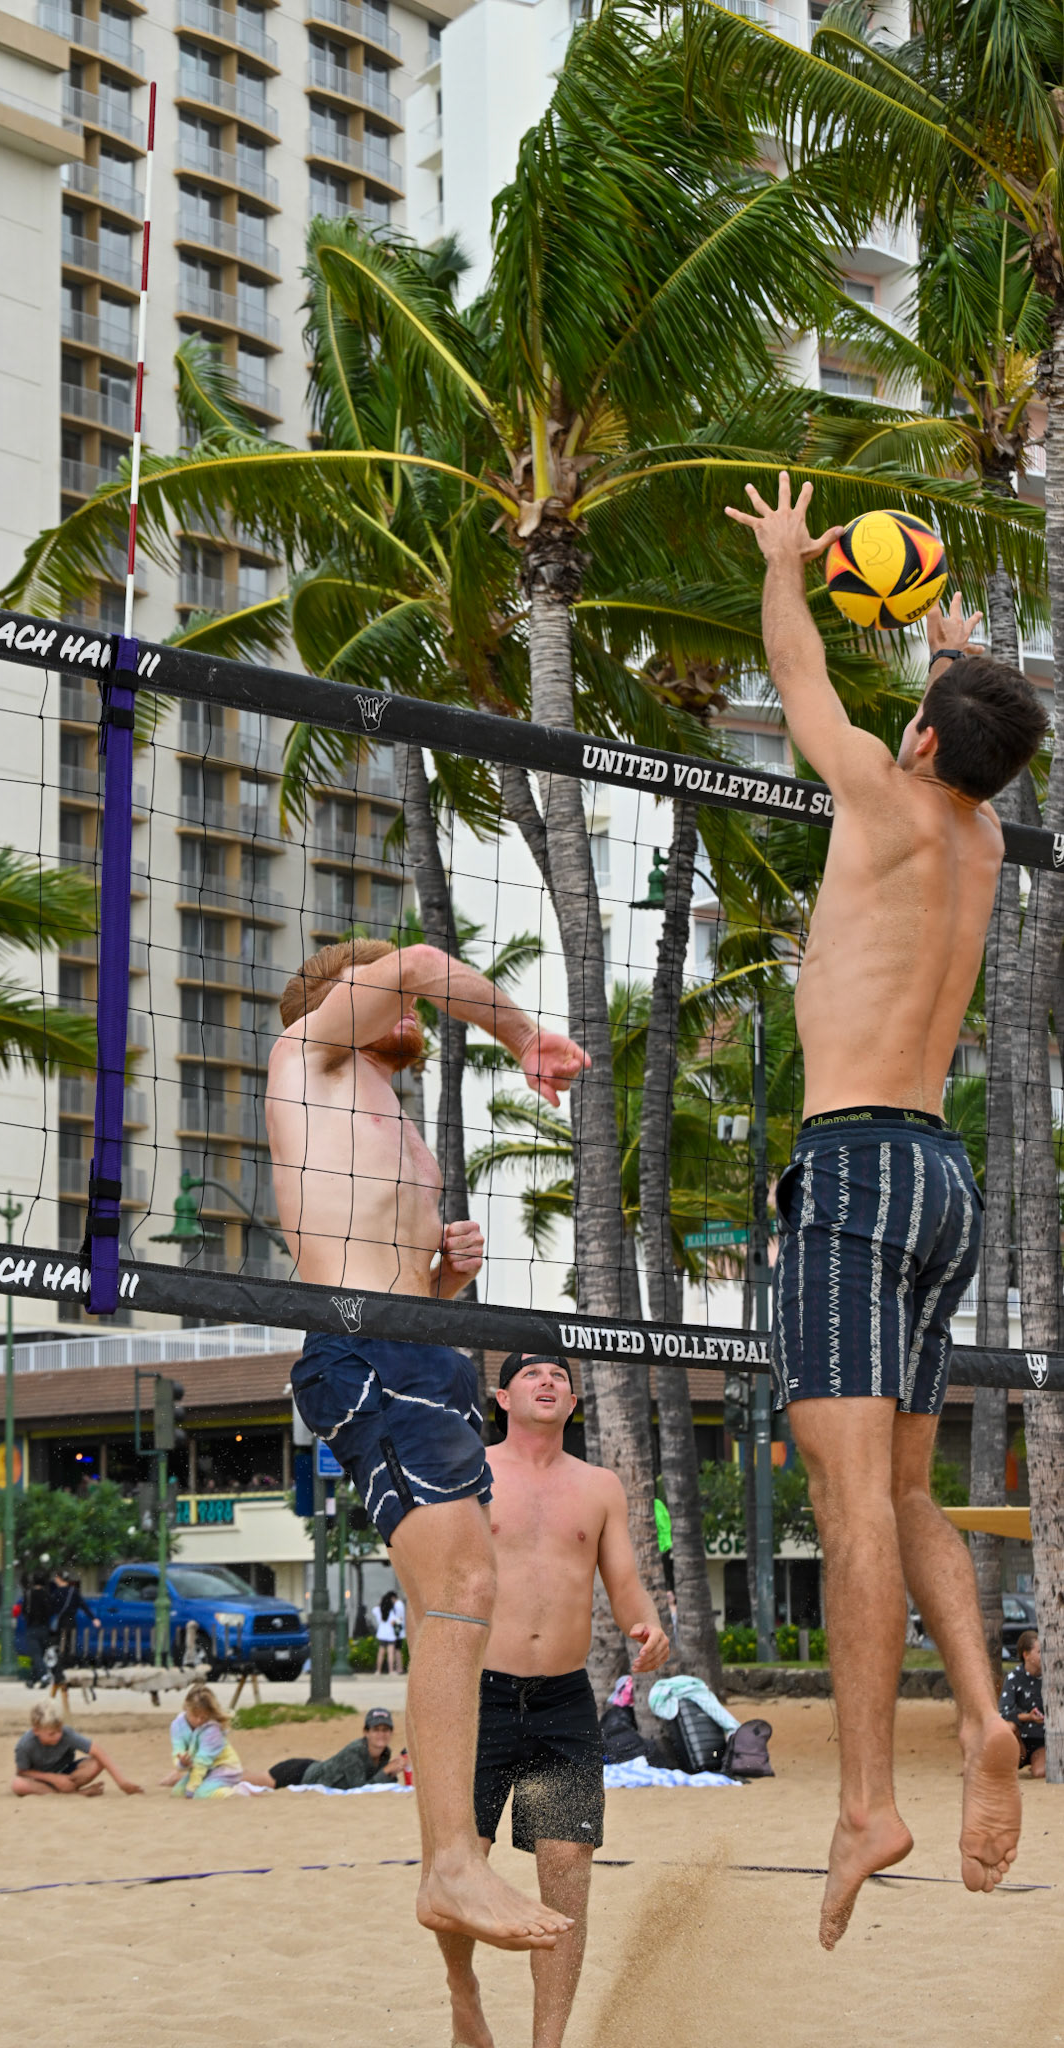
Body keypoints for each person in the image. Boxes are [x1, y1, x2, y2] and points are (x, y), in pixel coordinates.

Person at [727, 475, 1049, 1948]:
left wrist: (790, 562)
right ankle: (986, 1717)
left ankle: (865, 1799)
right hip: (941, 1175)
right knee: (907, 1491)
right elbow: (970, 737)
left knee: (850, 1505)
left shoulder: (873, 788)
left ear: (916, 741)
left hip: (852, 1171)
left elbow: (794, 666)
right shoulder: (979, 841)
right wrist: (951, 659)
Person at [269, 936, 590, 1953]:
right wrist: (524, 1032)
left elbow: (377, 1242)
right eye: (379, 992)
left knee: (470, 1587)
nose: (405, 1005)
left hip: (425, 1347)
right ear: (335, 997)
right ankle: (449, 1859)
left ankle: (454, 1864)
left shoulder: (382, 1105)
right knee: (457, 1582)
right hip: (366, 1347)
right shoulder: (307, 1050)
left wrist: (445, 1269)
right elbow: (411, 959)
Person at [435, 1352, 670, 2048]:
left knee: (565, 1870)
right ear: (502, 1396)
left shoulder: (598, 1487)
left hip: (564, 1702)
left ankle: (548, 2044)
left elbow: (622, 1579)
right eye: (532, 1375)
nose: (547, 1382)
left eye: (559, 1377)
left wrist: (647, 1622)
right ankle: (463, 1994)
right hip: (478, 1696)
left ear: (573, 1402)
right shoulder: (470, 1471)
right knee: (459, 1864)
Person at [245, 1705, 410, 1789]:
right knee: (249, 1780)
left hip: (314, 1768)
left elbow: (377, 1783)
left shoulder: (384, 1753)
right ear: (366, 1732)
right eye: (376, 1730)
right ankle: (223, 1772)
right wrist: (387, 1771)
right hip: (299, 1774)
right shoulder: (355, 1751)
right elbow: (359, 1788)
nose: (381, 1734)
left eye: (385, 1730)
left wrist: (393, 1772)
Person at [11, 1696, 144, 1797]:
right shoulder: (24, 1745)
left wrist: (122, 1782)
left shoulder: (67, 1733)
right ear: (36, 1731)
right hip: (41, 1781)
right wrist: (54, 1778)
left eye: (59, 1731)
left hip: (69, 1775)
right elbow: (22, 1771)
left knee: (98, 1762)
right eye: (51, 1734)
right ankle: (78, 1794)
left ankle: (70, 1791)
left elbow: (98, 1751)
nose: (57, 1736)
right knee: (18, 1785)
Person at [160, 1683, 261, 1798]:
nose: (199, 1721)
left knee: (201, 1794)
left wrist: (192, 1787)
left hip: (224, 1768)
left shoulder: (212, 1729)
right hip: (202, 1770)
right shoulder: (177, 1725)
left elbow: (202, 1761)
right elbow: (177, 1751)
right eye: (195, 1715)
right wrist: (182, 1764)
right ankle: (211, 1786)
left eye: (204, 1717)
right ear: (186, 1707)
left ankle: (239, 1791)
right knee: (177, 1793)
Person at [999, 1630, 1046, 1779]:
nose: (1044, 1655)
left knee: (1040, 1773)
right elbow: (1003, 1712)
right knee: (1008, 1726)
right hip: (1020, 1739)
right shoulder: (1013, 1678)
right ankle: (1013, 1759)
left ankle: (1038, 1761)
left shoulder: (1053, 1677)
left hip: (1042, 1740)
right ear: (1026, 1655)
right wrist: (1029, 1717)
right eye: (1039, 1651)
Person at [373, 1590, 401, 1676]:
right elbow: (395, 1622)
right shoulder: (392, 1611)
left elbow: (374, 1610)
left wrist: (380, 1603)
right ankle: (391, 1670)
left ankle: (378, 1670)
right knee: (390, 1653)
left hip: (381, 1634)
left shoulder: (378, 1610)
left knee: (381, 1653)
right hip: (390, 1634)